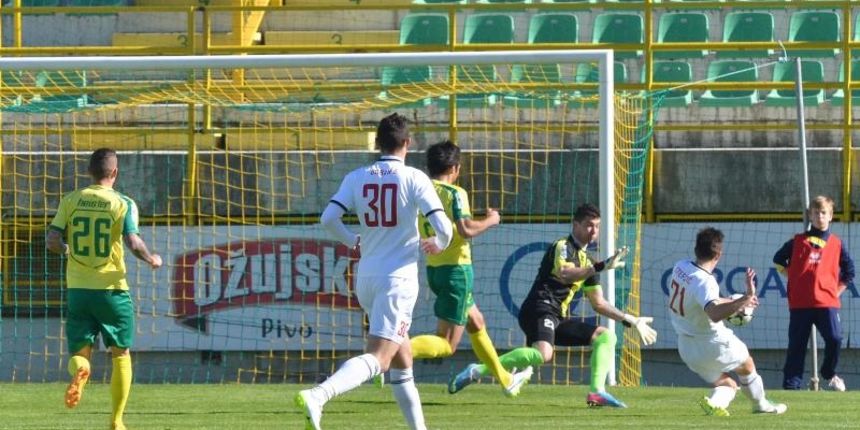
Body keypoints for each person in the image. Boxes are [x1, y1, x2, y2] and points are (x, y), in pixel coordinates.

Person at [296, 113, 453, 430]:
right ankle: (318, 395)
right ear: (407, 144)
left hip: (366, 277)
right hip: (397, 280)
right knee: (381, 358)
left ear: (378, 143)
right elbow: (445, 228)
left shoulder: (357, 177)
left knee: (402, 359)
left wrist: (353, 240)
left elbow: (329, 218)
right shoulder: (414, 178)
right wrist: (438, 243)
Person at [450, 203, 656, 408]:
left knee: (606, 337)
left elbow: (599, 303)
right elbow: (565, 273)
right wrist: (599, 267)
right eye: (589, 225)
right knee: (544, 354)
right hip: (539, 308)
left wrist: (630, 319)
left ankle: (596, 392)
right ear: (575, 225)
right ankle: (478, 369)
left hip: (558, 317)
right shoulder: (563, 246)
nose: (593, 231)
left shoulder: (588, 261)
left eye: (597, 226)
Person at [46, 148, 163, 430]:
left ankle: (81, 370)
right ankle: (116, 420)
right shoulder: (122, 203)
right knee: (120, 353)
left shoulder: (71, 199)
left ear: (90, 171)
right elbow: (133, 242)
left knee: (79, 352)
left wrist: (65, 249)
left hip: (78, 290)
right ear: (114, 172)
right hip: (112, 290)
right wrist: (151, 259)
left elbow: (51, 240)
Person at [409, 140, 533, 397]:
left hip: (434, 270)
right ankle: (391, 352)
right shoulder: (455, 193)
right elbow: (466, 229)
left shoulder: (419, 190)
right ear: (455, 168)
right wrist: (492, 219)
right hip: (457, 271)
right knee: (446, 345)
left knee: (476, 322)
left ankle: (505, 379)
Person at [670, 227, 786, 416]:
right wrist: (743, 299)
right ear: (719, 254)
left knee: (728, 383)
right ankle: (761, 405)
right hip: (711, 343)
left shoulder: (680, 267)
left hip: (686, 347)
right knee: (747, 365)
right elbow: (714, 313)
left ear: (696, 248)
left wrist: (735, 301)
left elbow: (701, 301)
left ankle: (715, 402)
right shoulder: (705, 281)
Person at [773, 195, 855, 391]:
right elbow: (778, 260)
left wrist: (835, 292)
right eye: (816, 212)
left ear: (831, 216)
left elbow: (849, 272)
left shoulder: (836, 243)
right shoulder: (797, 241)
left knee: (835, 338)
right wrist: (792, 277)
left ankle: (828, 372)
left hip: (827, 303)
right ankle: (792, 386)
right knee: (797, 346)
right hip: (800, 304)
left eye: (823, 213)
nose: (820, 216)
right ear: (810, 215)